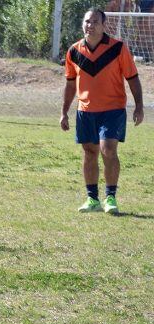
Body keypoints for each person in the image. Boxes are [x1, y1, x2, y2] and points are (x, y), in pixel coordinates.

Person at [61, 8, 144, 214]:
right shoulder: (73, 51)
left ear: (103, 25)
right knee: (89, 153)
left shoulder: (118, 48)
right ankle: (92, 199)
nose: (90, 25)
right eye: (87, 21)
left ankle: (111, 197)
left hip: (112, 110)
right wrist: (64, 112)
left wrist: (139, 106)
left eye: (95, 22)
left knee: (108, 151)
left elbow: (132, 78)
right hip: (85, 111)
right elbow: (70, 84)